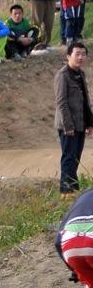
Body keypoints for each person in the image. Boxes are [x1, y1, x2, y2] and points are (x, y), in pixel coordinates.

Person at [55, 42, 93, 197]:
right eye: (77, 54)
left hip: (79, 122)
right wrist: (68, 125)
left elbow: (85, 100)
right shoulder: (62, 75)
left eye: (83, 54)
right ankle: (67, 191)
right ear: (68, 56)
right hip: (68, 124)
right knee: (69, 158)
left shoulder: (80, 74)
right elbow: (61, 102)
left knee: (75, 157)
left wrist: (90, 123)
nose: (81, 57)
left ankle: (73, 190)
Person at [56, 188, 93, 288]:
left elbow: (57, 242)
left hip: (69, 242)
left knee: (91, 287)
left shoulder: (83, 196)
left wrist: (74, 270)